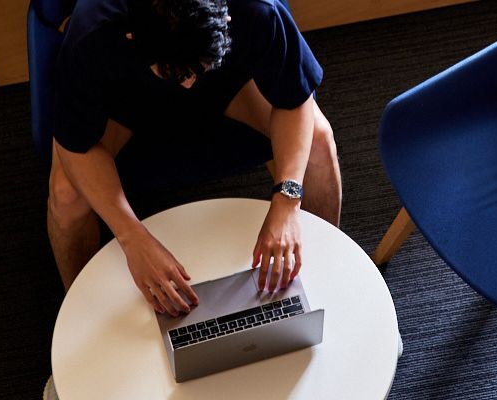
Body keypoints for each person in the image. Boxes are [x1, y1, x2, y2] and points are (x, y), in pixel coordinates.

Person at [46, 0, 341, 317]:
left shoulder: (255, 7)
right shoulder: (93, 29)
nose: (187, 85)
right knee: (66, 195)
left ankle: (323, 283)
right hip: (124, 101)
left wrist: (287, 199)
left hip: (229, 85)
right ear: (132, 36)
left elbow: (295, 99)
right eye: (172, 73)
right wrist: (132, 237)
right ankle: (77, 317)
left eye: (197, 70)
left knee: (319, 143)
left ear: (226, 19)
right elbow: (74, 146)